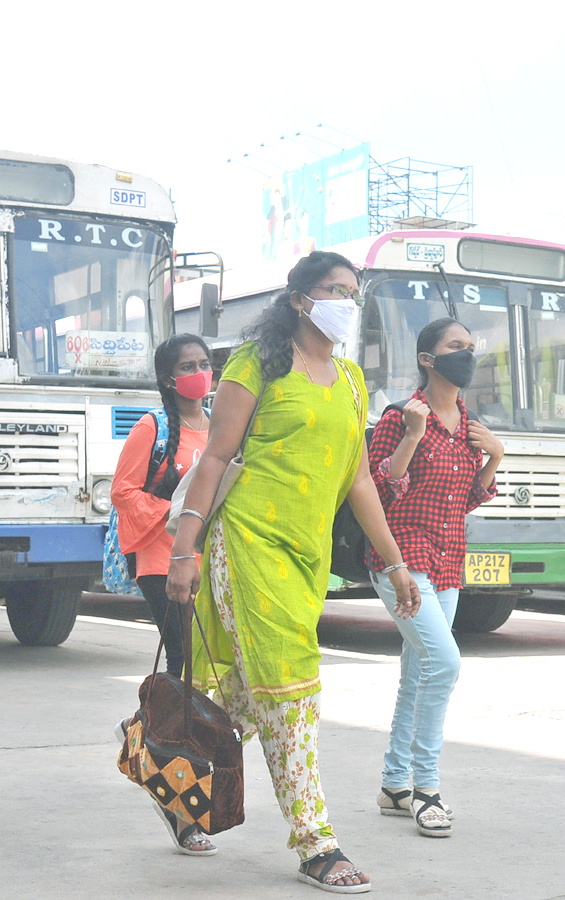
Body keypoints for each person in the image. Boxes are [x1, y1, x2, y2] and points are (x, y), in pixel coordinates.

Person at [165, 250, 421, 892]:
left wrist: (395, 564)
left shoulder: (352, 380)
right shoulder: (256, 364)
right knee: (292, 685)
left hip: (305, 557)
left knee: (253, 694)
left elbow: (359, 478)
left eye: (353, 292)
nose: (346, 301)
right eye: (335, 289)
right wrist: (184, 550)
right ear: (301, 298)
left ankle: (174, 768)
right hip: (246, 542)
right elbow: (216, 458)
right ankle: (316, 842)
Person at [365, 318, 502, 838]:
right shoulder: (401, 417)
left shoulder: (471, 424)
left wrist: (493, 459)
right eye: (455, 347)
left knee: (417, 674)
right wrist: (414, 437)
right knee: (444, 665)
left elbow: (466, 500)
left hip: (447, 561)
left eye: (471, 346)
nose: (466, 355)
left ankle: (394, 784)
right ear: (428, 358)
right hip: (401, 559)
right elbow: (376, 493)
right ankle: (426, 788)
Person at [111, 334, 213, 678]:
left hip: (211, 559)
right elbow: (122, 492)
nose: (199, 372)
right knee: (182, 658)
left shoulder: (221, 427)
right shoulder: (151, 427)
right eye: (188, 367)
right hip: (162, 559)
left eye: (204, 364)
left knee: (205, 659)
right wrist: (181, 514)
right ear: (169, 379)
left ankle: (145, 728)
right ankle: (147, 728)